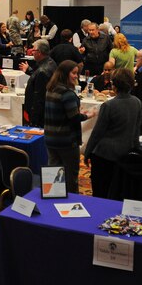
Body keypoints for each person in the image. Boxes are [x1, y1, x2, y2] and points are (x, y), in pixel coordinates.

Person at [84, 68, 142, 199]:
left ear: (113, 85)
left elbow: (97, 133)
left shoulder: (109, 105)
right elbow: (136, 131)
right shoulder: (138, 103)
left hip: (104, 155)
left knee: (100, 192)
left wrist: (87, 153)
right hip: (125, 154)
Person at [44, 61, 93, 194]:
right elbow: (74, 118)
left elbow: (62, 112)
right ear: (65, 74)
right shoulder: (67, 93)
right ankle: (72, 204)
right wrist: (89, 115)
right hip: (66, 141)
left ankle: (53, 202)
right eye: (74, 73)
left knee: (53, 175)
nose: (76, 76)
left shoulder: (50, 89)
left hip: (50, 139)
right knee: (71, 176)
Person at [20, 40, 57, 127]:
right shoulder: (50, 62)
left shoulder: (42, 71)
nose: (32, 52)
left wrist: (34, 120)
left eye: (33, 50)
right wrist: (29, 70)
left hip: (40, 116)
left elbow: (39, 98)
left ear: (39, 52)